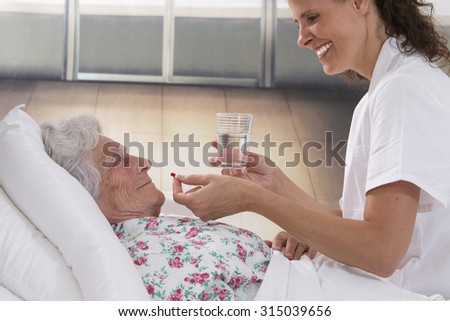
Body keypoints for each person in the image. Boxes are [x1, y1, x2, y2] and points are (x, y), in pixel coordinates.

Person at [172, 0, 450, 299]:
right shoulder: (392, 86)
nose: (302, 38)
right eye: (298, 24)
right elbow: (360, 223)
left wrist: (252, 199)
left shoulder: (402, 91)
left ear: (359, 3)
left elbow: (381, 251)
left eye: (313, 18)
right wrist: (274, 184)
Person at [40, 115, 270, 301]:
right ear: (86, 194)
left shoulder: (156, 228)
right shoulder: (148, 260)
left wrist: (288, 244)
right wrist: (251, 197)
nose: (145, 162)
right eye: (120, 161)